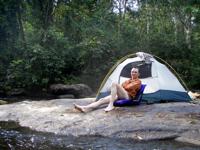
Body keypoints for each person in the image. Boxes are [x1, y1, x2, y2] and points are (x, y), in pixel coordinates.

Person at [74, 67, 141, 112]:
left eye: (135, 72)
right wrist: (121, 87)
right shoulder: (128, 80)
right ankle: (85, 108)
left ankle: (111, 105)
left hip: (128, 96)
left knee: (114, 83)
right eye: (132, 72)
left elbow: (127, 87)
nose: (133, 73)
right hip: (120, 95)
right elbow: (122, 86)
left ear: (138, 74)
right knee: (101, 100)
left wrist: (121, 87)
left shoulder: (138, 82)